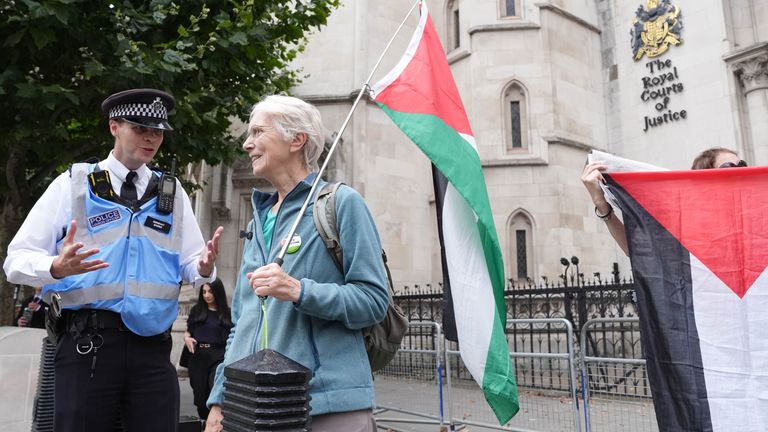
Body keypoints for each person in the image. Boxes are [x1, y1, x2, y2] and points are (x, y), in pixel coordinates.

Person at [3, 88, 224, 432]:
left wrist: (203, 269)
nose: (152, 138)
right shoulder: (74, 185)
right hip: (86, 345)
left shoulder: (172, 192)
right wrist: (54, 268)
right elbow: (15, 260)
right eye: (140, 128)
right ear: (114, 127)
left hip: (152, 350)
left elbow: (191, 263)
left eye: (158, 131)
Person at [204, 95, 389, 432]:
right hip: (257, 406)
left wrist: (298, 290)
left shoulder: (342, 203)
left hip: (328, 404)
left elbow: (374, 302)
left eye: (258, 132)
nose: (247, 144)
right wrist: (219, 398)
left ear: (296, 139)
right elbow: (244, 323)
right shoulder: (258, 220)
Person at [581, 146, 747, 256]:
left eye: (743, 165)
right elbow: (639, 251)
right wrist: (600, 203)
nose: (742, 171)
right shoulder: (689, 225)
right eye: (729, 167)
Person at [184, 278, 232, 420]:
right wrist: (187, 338)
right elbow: (188, 331)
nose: (206, 295)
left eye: (210, 291)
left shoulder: (227, 313)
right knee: (200, 399)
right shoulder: (197, 310)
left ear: (217, 292)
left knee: (214, 392)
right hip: (198, 356)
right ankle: (205, 423)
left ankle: (215, 423)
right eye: (204, 292)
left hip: (218, 356)